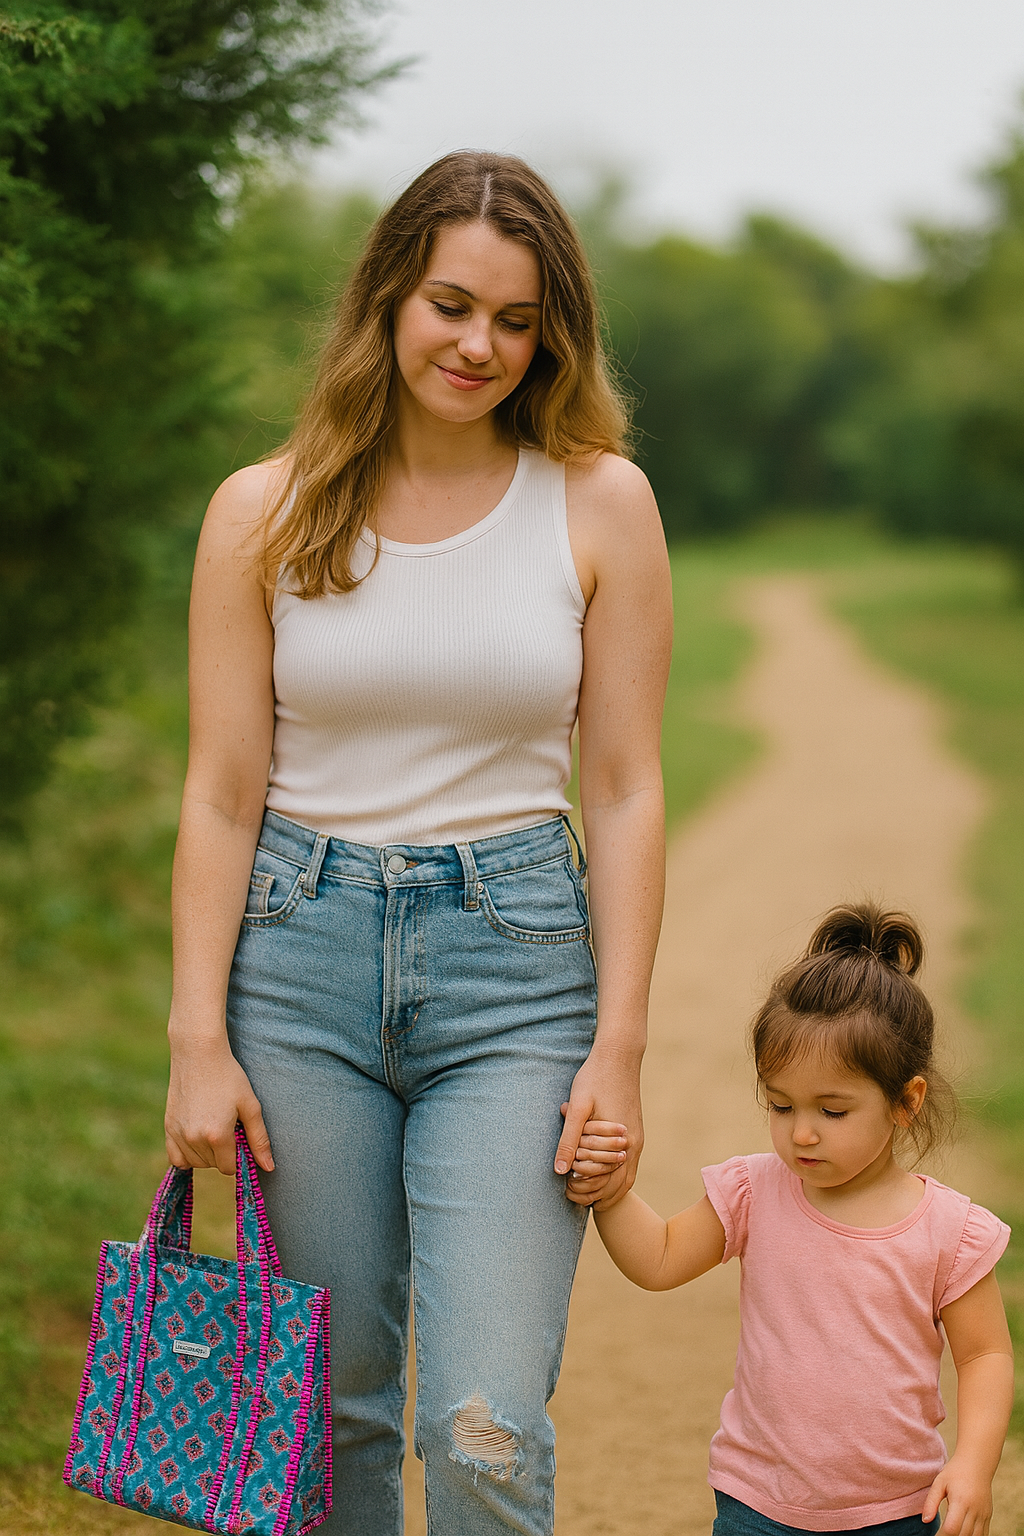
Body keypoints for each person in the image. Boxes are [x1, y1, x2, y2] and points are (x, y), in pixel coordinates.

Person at [162, 150, 673, 1536]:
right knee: (330, 1409)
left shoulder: (599, 502)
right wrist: (196, 1037)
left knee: (482, 1421)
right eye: (452, 305)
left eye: (517, 321)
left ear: (553, 337)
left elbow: (625, 786)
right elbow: (220, 792)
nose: (479, 347)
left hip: (517, 975)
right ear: (389, 296)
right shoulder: (260, 511)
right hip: (297, 968)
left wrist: (619, 1047)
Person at [572, 903, 1014, 1536]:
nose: (802, 1133)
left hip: (895, 1509)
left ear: (905, 1102)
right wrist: (611, 1195)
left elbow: (986, 1355)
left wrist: (974, 1464)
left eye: (832, 1112)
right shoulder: (755, 1192)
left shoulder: (948, 1229)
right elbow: (661, 1257)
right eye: (781, 1106)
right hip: (757, 1504)